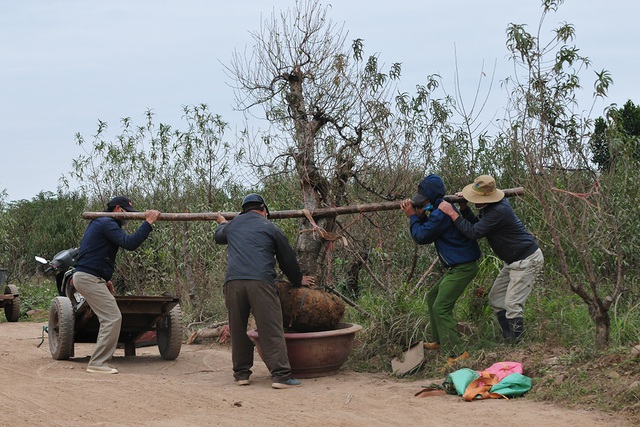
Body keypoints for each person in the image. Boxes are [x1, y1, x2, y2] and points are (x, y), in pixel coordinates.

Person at [214, 193, 315, 389]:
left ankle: (241, 374)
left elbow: (219, 237)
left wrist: (222, 223)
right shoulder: (270, 227)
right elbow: (287, 259)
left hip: (233, 283)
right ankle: (281, 376)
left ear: (243, 211)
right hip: (260, 282)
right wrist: (297, 279)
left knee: (237, 328)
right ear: (264, 210)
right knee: (270, 328)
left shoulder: (233, 225)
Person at [438, 175, 544, 344]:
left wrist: (452, 213)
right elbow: (478, 226)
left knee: (512, 304)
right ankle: (509, 338)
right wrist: (464, 208)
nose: (475, 201)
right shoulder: (490, 207)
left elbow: (473, 233)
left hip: (526, 260)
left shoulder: (498, 210)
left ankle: (518, 345)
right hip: (512, 262)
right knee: (496, 299)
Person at [73, 196, 161, 374]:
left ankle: (100, 360)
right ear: (118, 209)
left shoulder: (101, 222)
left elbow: (95, 252)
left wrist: (104, 279)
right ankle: (98, 363)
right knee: (112, 318)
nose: (128, 217)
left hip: (89, 276)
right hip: (87, 277)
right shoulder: (106, 222)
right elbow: (130, 243)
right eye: (126, 213)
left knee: (109, 317)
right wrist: (148, 223)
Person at [400, 175, 481, 365]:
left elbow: (421, 236)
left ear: (433, 198)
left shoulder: (441, 213)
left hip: (463, 267)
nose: (423, 204)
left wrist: (413, 216)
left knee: (441, 307)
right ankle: (439, 341)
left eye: (425, 201)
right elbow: (430, 226)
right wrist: (421, 216)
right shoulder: (439, 209)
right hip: (458, 266)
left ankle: (457, 353)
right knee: (432, 297)